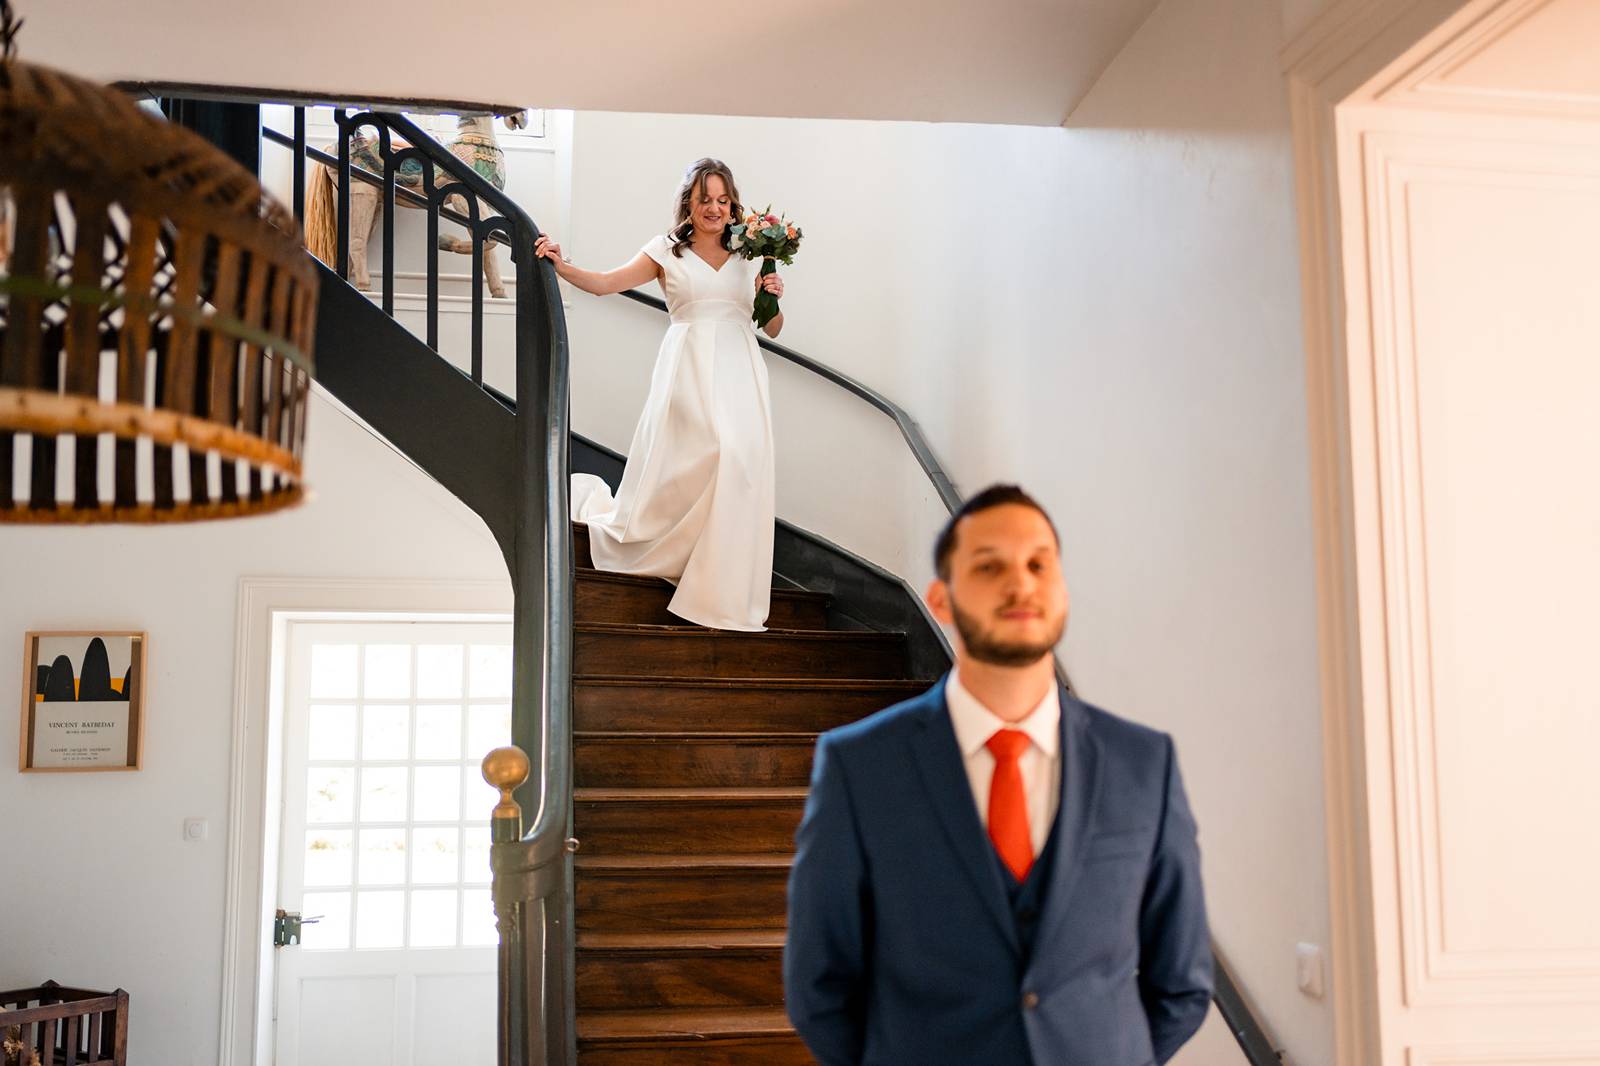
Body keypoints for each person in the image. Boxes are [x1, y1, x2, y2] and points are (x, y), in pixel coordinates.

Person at [784, 484, 1212, 1065]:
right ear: (941, 598)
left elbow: (1182, 983)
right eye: (990, 566)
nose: (1021, 584)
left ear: (1061, 589)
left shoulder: (1144, 764)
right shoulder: (859, 767)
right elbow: (818, 987)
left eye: (1040, 564)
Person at [533, 158, 785, 631]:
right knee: (710, 452)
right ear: (689, 202)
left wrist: (772, 294)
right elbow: (608, 284)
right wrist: (561, 265)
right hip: (687, 363)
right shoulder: (666, 251)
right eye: (704, 198)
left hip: (740, 365)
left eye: (722, 199)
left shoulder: (750, 252)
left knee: (742, 460)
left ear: (733, 205)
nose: (714, 208)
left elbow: (771, 328)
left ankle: (719, 577)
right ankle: (670, 550)